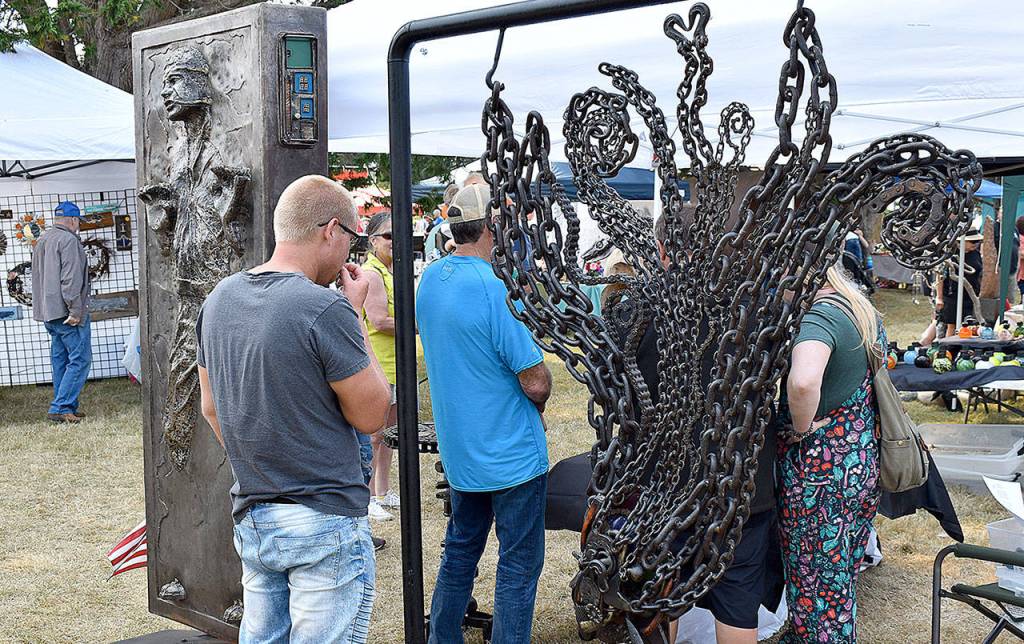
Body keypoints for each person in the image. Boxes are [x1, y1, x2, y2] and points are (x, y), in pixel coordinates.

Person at [196, 175, 393, 643]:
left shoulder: (219, 298)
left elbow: (210, 407)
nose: (351, 252)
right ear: (331, 229)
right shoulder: (324, 308)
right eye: (352, 238)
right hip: (323, 514)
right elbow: (372, 415)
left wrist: (263, 465)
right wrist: (357, 316)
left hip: (255, 512)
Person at [615, 213, 783, 644]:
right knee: (735, 603)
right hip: (735, 490)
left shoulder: (638, 312)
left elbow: (625, 403)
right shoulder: (754, 308)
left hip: (670, 493)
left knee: (662, 594)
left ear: (663, 251)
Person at [416, 183, 552, 644]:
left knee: (459, 552)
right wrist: (541, 398)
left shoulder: (430, 280)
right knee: (518, 566)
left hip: (462, 454)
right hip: (511, 456)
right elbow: (534, 379)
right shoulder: (495, 290)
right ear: (493, 226)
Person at [777, 263, 885, 643]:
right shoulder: (858, 307)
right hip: (859, 460)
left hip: (820, 474)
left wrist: (800, 426)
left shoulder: (820, 314)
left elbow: (804, 381)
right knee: (838, 583)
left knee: (817, 586)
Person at [32, 200, 91, 424]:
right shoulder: (68, 240)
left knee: (60, 359)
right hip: (68, 313)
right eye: (78, 222)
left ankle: (67, 404)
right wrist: (75, 310)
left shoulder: (43, 240)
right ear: (73, 220)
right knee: (80, 359)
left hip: (49, 312)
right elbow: (71, 279)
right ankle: (61, 406)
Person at [360, 211, 400, 521]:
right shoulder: (372, 273)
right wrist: (418, 325)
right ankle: (371, 495)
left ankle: (384, 490)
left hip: (397, 364)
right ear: (373, 241)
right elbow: (378, 320)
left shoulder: (391, 270)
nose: (394, 241)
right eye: (388, 236)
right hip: (381, 365)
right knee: (375, 435)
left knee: (391, 434)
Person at [935, 228, 983, 334]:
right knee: (952, 325)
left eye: (977, 241)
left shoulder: (976, 253)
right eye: (972, 241)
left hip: (971, 295)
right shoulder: (950, 254)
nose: (975, 244)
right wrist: (939, 297)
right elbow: (940, 275)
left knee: (970, 325)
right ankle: (948, 348)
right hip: (953, 295)